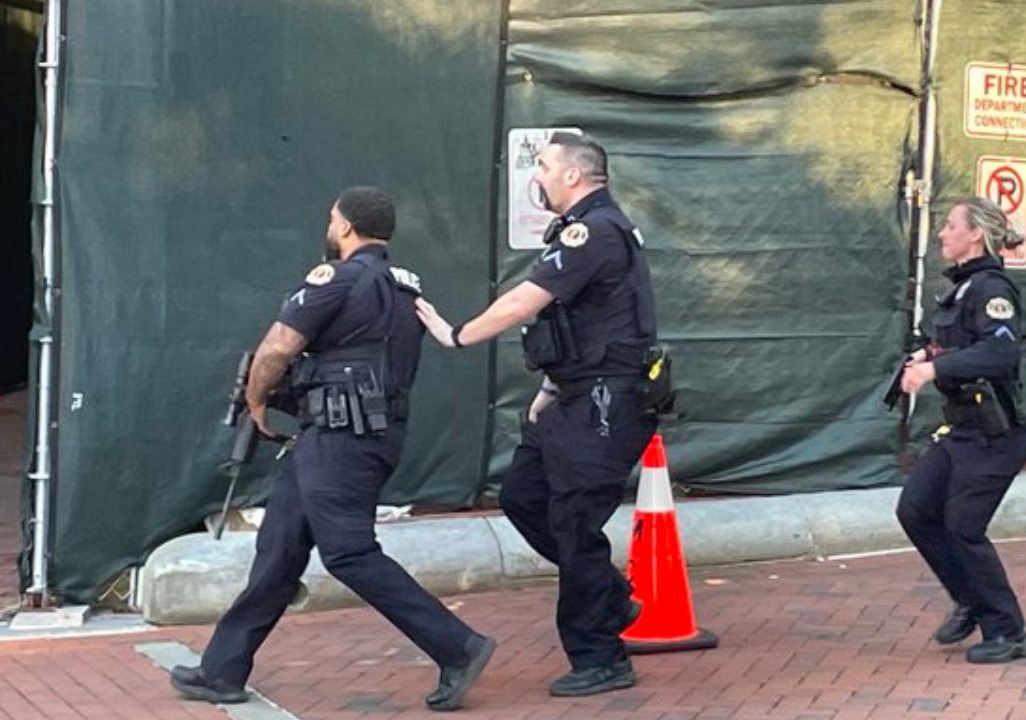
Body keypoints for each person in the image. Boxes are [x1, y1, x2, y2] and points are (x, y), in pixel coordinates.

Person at [170, 187, 494, 712]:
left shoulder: (335, 278)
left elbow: (278, 345)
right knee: (279, 549)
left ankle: (457, 646)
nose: (329, 226)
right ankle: (221, 669)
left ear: (345, 227)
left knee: (348, 553)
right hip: (355, 436)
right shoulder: (404, 285)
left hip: (341, 439)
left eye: (331, 219)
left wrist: (256, 400)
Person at [416, 133, 659, 697]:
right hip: (573, 395)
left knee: (574, 522)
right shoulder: (584, 232)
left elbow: (527, 301)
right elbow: (589, 323)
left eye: (546, 166)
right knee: (524, 496)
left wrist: (456, 335)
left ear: (575, 175)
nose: (539, 177)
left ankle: (602, 657)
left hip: (605, 402)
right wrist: (550, 386)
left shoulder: (591, 231)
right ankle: (611, 597)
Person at [894, 196, 1026, 664]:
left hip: (995, 437)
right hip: (961, 432)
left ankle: (1008, 630)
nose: (941, 234)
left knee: (963, 528)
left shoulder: (991, 288)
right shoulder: (963, 288)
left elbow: (1000, 353)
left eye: (950, 225)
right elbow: (961, 345)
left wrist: (935, 371)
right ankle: (971, 600)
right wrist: (928, 356)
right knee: (915, 509)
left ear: (975, 234)